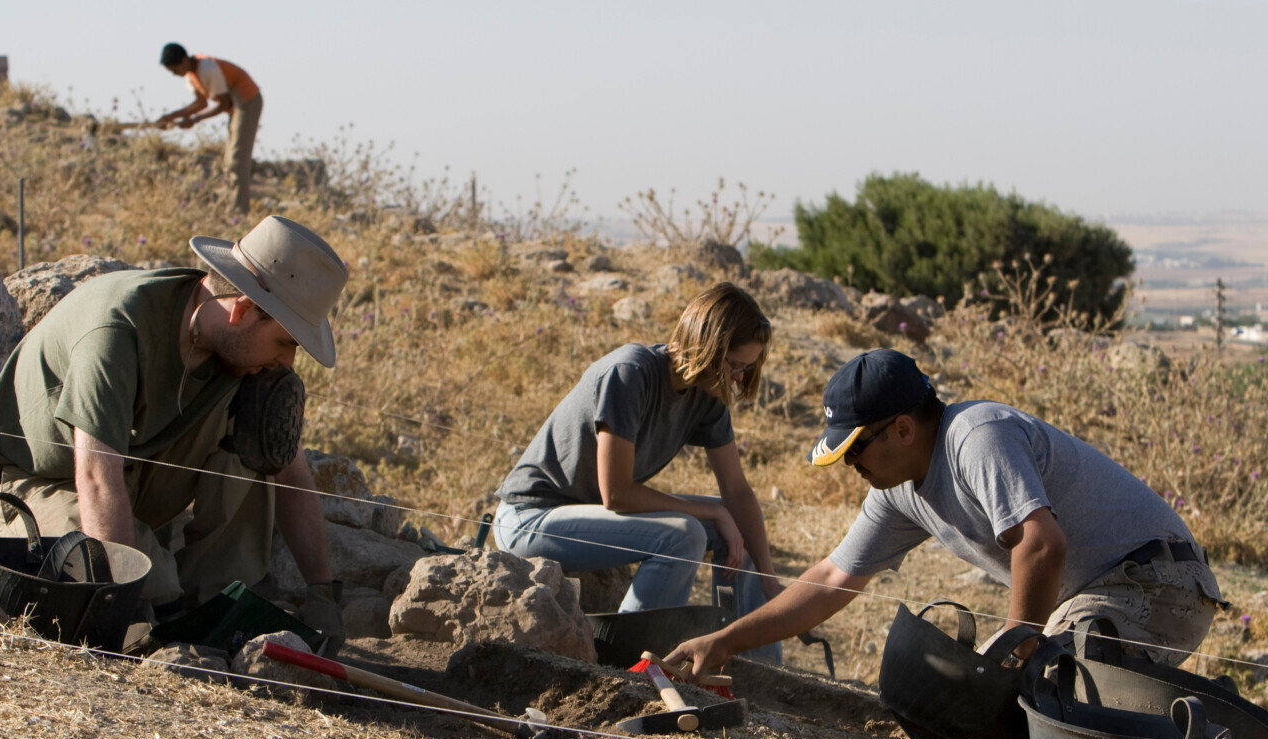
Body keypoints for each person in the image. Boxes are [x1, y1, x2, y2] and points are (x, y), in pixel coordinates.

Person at [667, 348, 1225, 675]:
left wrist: (1021, 642)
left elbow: (1041, 545)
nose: (849, 464)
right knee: (961, 693)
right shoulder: (899, 487)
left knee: (1034, 695)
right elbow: (833, 578)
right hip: (1092, 596)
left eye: (855, 448)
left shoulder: (976, 437)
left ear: (903, 429)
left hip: (1156, 584)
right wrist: (726, 642)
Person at [0, 215, 349, 647]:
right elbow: (96, 479)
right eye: (286, 342)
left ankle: (213, 605)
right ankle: (168, 609)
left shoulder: (237, 353)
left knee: (260, 437)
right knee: (142, 583)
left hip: (128, 482)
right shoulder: (116, 330)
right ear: (241, 310)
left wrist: (322, 592)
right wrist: (126, 605)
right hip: (32, 486)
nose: (288, 362)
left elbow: (288, 469)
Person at [494, 282, 784, 661]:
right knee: (683, 535)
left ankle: (757, 671)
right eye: (735, 365)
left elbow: (737, 491)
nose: (740, 378)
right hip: (530, 519)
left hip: (588, 519)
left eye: (748, 368)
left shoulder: (707, 394)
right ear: (706, 346)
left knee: (737, 527)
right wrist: (713, 510)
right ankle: (627, 662)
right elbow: (617, 494)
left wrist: (768, 578)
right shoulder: (630, 373)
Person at [156, 42, 263, 213]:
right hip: (235, 106)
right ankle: (232, 206)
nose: (175, 75)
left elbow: (223, 103)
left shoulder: (206, 68)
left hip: (246, 101)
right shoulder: (192, 75)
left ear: (184, 61)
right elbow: (200, 103)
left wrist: (195, 119)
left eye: (175, 70)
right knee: (229, 162)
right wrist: (171, 117)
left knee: (237, 159)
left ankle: (239, 212)